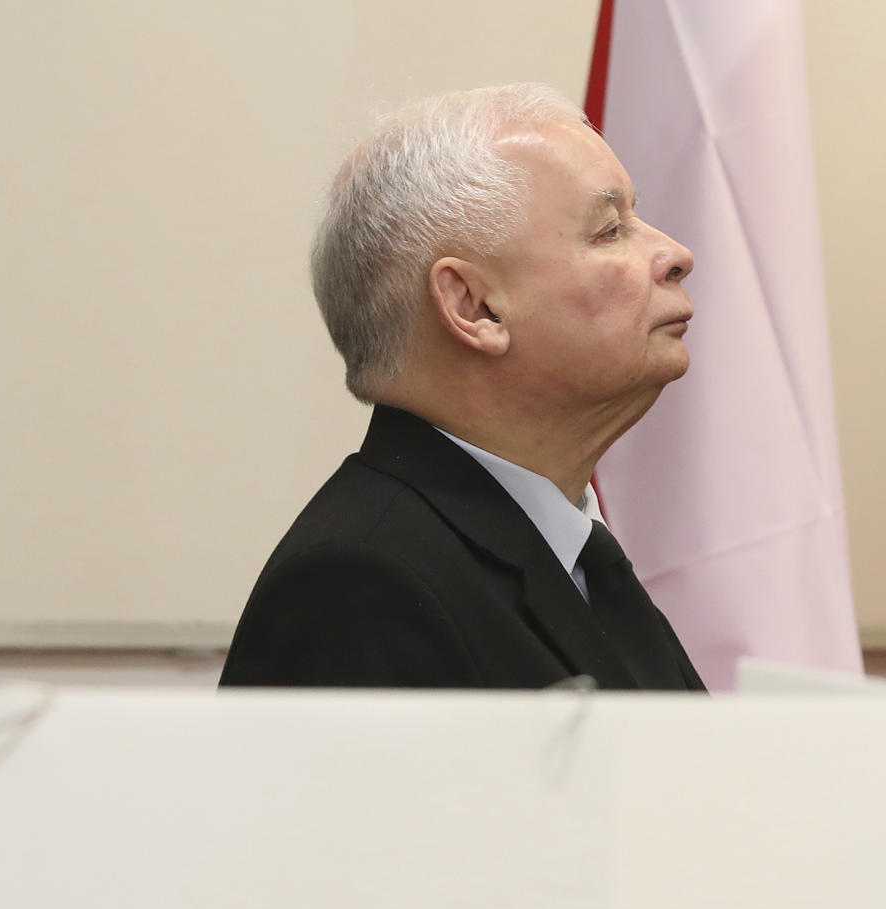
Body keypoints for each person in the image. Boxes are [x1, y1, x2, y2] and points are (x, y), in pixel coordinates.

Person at [220, 83, 705, 691]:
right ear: (474, 307)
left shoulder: (570, 553)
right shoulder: (359, 584)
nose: (676, 253)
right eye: (609, 230)